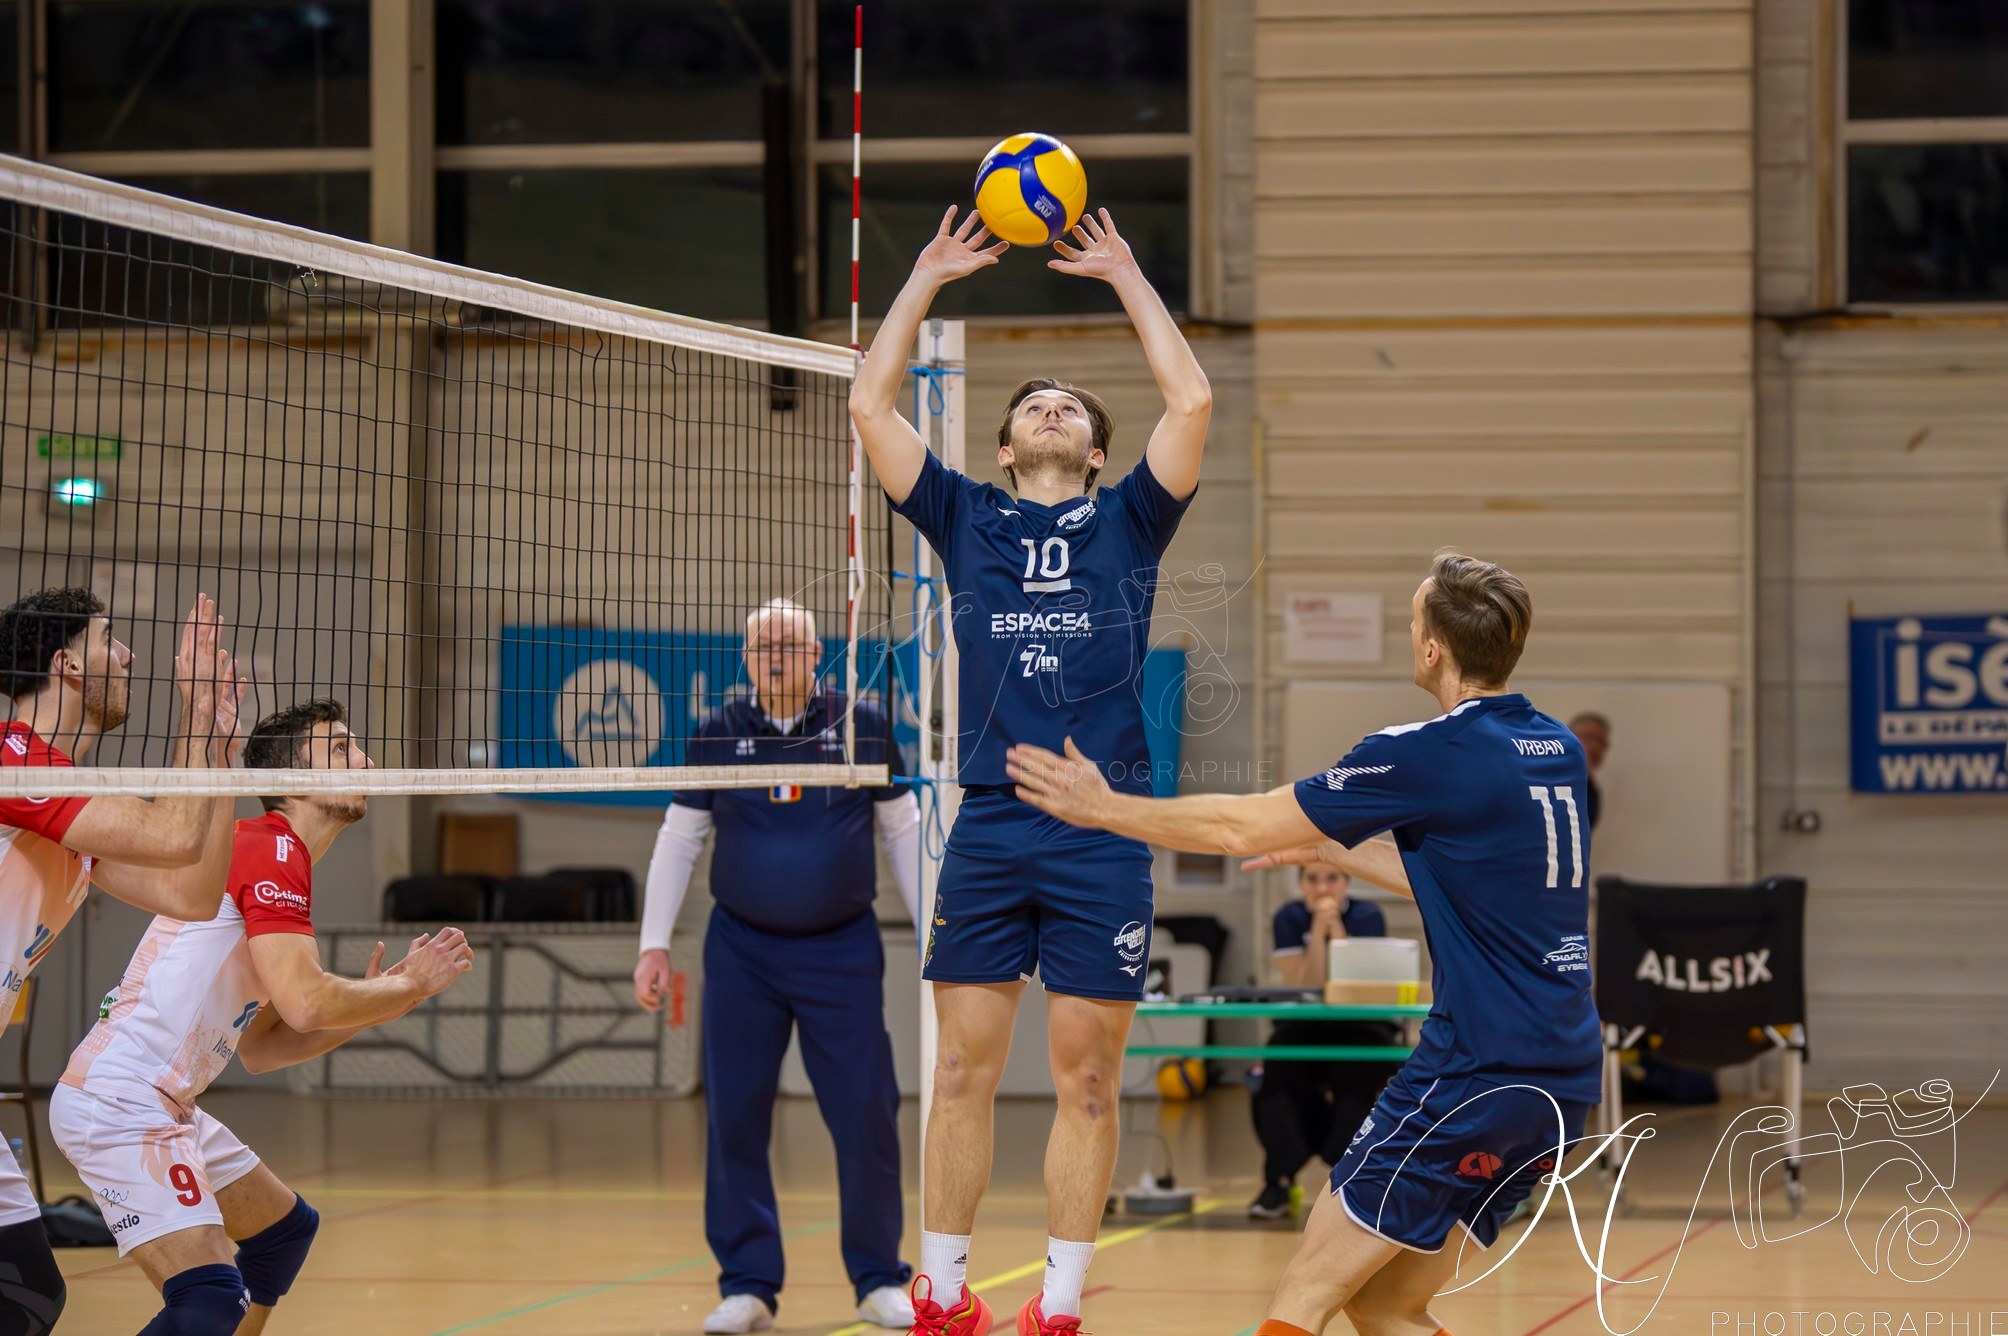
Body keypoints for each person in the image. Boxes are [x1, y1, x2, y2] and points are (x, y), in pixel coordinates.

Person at [1004, 551, 1601, 1336]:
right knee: (1385, 1305)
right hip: (1562, 1078)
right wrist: (1336, 849)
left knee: (1302, 1299)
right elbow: (1473, 882)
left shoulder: (1429, 750)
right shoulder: (1554, 748)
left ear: (1431, 650)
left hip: (1473, 1072)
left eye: (1414, 620)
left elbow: (1240, 824)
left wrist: (1106, 807)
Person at [849, 206, 1210, 1336]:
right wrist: (921, 278)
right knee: (959, 1071)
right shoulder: (964, 516)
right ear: (1004, 448)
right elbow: (867, 402)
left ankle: (1057, 1305)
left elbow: (1192, 400)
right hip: (995, 823)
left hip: (1103, 829)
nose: (1050, 405)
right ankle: (943, 1292)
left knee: (1087, 1079)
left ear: (1096, 452)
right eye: (1030, 404)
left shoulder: (1131, 522)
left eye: (1072, 407)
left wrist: (1125, 274)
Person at [50, 696, 476, 1336]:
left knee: (283, 1232)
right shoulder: (269, 850)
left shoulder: (283, 861)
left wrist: (389, 997)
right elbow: (307, 1004)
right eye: (340, 749)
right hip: (119, 1099)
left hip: (164, 1102)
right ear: (293, 780)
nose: (364, 760)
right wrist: (408, 984)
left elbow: (265, 1047)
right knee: (210, 1300)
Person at [633, 598, 924, 1334]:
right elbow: (679, 839)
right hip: (742, 951)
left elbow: (903, 833)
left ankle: (877, 1277)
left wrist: (938, 935)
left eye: (789, 644)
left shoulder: (863, 727)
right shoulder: (716, 733)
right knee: (735, 1115)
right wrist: (653, 944)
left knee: (866, 1111)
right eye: (762, 646)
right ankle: (749, 1285)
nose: (775, 655)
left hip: (842, 948)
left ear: (817, 651)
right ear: (745, 659)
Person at [0, 588, 245, 1334]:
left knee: (27, 1297)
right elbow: (172, 837)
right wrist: (194, 715)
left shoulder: (67, 793)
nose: (131, 656)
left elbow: (191, 890)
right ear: (67, 664)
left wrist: (220, 750)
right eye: (113, 640)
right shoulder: (12, 759)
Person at [1247, 865, 1400, 1221]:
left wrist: (1337, 931)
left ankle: (1351, 1176)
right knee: (1277, 1076)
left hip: (1360, 1023)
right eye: (1312, 880)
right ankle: (1280, 1179)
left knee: (1355, 1079)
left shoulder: (1368, 915)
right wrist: (1318, 931)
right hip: (1305, 1023)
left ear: (1346, 881)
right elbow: (1306, 982)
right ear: (1300, 884)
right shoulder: (1289, 917)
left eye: (1331, 878)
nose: (1322, 888)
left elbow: (1354, 981)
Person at [1567, 712, 1610, 831]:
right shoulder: (1545, 778)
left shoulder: (1591, 791)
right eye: (1588, 737)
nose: (1594, 746)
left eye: (1600, 741)